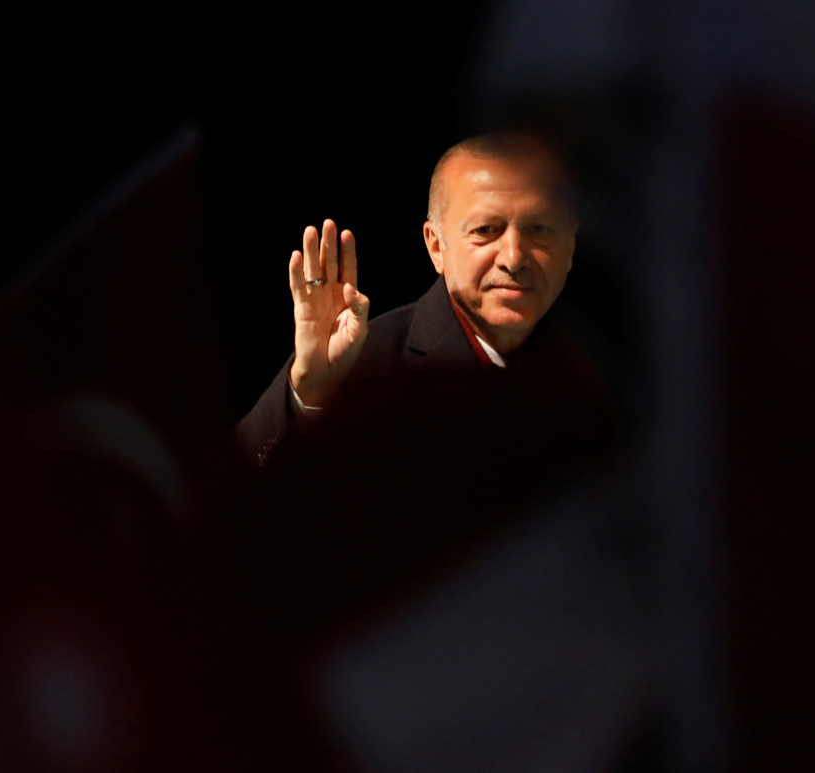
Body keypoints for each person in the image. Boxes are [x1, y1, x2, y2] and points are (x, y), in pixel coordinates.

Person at [235, 133, 620, 622]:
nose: (514, 256)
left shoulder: (610, 376)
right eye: (486, 231)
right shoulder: (362, 365)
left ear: (571, 244)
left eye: (540, 229)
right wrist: (308, 391)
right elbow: (227, 513)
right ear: (436, 246)